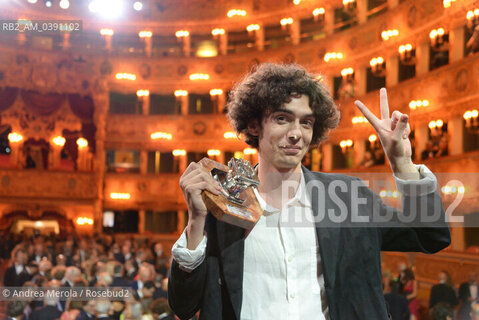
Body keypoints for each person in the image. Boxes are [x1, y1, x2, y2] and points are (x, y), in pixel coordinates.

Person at [168, 63, 450, 320]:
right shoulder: (225, 203)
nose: (296, 133)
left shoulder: (347, 198)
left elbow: (430, 235)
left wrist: (401, 162)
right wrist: (195, 222)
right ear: (254, 125)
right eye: (282, 119)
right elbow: (184, 306)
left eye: (306, 122)